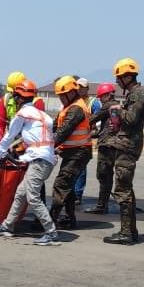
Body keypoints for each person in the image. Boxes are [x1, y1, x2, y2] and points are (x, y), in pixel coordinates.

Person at [0, 79, 60, 246]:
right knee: (21, 192)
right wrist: (22, 153)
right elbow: (38, 139)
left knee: (32, 196)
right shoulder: (44, 115)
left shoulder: (23, 114)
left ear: (18, 98)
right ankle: (7, 225)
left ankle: (51, 232)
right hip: (44, 159)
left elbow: (9, 136)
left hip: (39, 161)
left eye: (16, 97)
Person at [99, 58, 144, 245]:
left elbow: (130, 119)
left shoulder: (137, 94)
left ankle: (126, 233)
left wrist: (118, 110)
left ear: (128, 77)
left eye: (120, 77)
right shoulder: (134, 94)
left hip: (128, 146)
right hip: (126, 144)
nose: (118, 81)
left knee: (122, 190)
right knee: (125, 188)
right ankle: (130, 231)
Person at [48, 75, 93, 230]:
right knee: (68, 185)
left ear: (70, 93)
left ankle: (49, 221)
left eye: (62, 95)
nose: (60, 99)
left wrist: (47, 147)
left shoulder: (76, 109)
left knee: (61, 184)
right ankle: (69, 218)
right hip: (73, 153)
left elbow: (63, 132)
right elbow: (54, 126)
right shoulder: (69, 106)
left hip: (79, 153)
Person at [84, 82, 118, 215]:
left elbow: (92, 119)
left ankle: (101, 206)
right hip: (112, 144)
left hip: (106, 146)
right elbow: (110, 128)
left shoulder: (108, 106)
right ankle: (103, 204)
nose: (100, 99)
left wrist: (79, 121)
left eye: (101, 96)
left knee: (103, 175)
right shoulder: (115, 106)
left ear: (107, 95)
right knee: (107, 175)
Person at [72, 76, 100, 204]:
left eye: (82, 88)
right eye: (78, 87)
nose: (79, 90)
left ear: (87, 89)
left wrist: (94, 133)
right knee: (71, 167)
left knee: (81, 168)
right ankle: (71, 193)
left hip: (85, 140)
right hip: (72, 140)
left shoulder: (93, 103)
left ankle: (78, 194)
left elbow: (99, 121)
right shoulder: (73, 102)